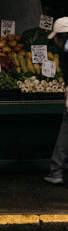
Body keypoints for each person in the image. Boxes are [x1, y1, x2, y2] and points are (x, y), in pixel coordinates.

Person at [44, 17, 68, 185]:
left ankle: (57, 171)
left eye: (57, 39)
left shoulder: (66, 51)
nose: (56, 43)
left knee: (66, 129)